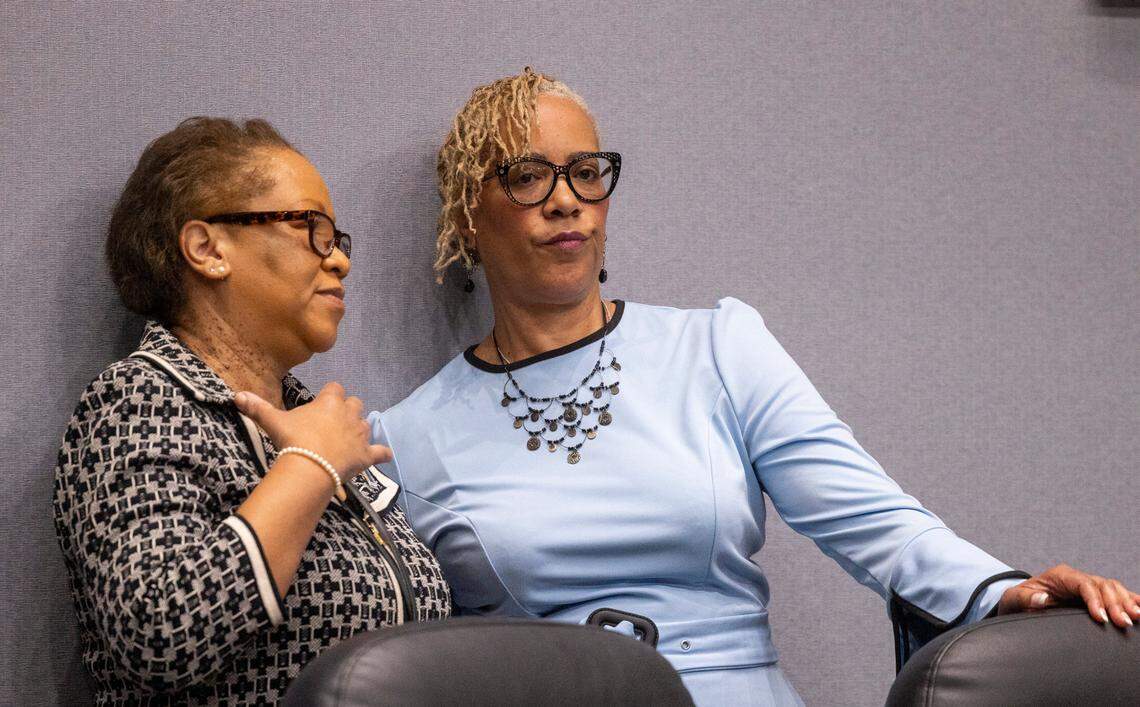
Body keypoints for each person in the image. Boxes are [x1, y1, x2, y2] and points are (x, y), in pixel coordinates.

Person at [369, 69, 1139, 706]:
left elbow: (878, 523)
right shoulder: (408, 439)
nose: (566, 198)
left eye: (586, 172)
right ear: (467, 215)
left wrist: (1006, 589)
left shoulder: (717, 348)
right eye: (528, 176)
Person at [53, 117, 450, 706]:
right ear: (208, 249)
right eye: (310, 228)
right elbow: (157, 633)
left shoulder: (313, 417)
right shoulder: (136, 401)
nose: (339, 261)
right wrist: (310, 466)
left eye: (336, 239)